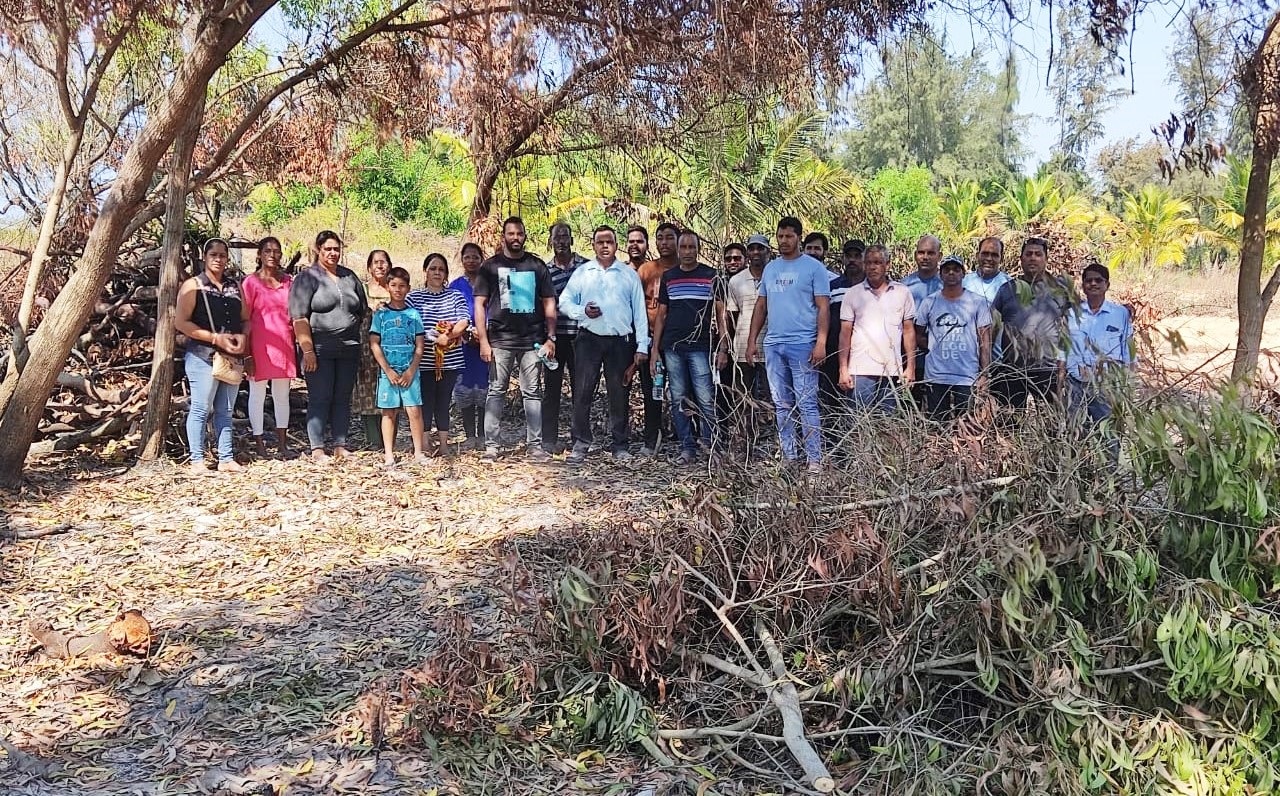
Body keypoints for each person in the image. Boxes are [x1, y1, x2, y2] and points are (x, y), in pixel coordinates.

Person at [746, 218, 830, 473]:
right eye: (780, 236)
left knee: (806, 403)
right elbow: (761, 306)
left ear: (798, 238)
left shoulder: (814, 268)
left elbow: (823, 306)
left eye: (788, 237)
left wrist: (821, 342)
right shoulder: (771, 269)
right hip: (774, 344)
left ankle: (814, 459)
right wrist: (752, 341)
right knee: (781, 403)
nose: (784, 241)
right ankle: (789, 456)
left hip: (803, 343)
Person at [560, 226, 649, 462]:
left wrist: (642, 346)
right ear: (593, 245)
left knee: (618, 393)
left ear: (616, 245)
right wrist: (582, 312)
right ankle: (580, 442)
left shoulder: (628, 274)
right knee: (582, 391)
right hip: (589, 340)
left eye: (609, 241)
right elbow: (564, 302)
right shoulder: (583, 272)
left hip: (620, 342)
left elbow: (640, 313)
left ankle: (620, 445)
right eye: (600, 242)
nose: (605, 246)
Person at [474, 216, 558, 462]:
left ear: (525, 236)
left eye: (519, 234)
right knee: (496, 391)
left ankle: (535, 446)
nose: (515, 238)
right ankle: (492, 446)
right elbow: (480, 304)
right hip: (499, 341)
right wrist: (483, 340)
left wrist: (550, 337)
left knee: (532, 392)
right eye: (511, 234)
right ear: (504, 236)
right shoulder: (490, 267)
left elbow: (549, 302)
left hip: (532, 340)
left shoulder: (537, 266)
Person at [289, 230, 369, 461]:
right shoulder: (307, 278)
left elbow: (361, 310)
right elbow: (299, 318)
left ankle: (340, 444)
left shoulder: (349, 277)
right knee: (320, 396)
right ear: (318, 250)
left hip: (349, 347)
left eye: (336, 249)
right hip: (320, 348)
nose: (333, 253)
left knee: (342, 397)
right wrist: (308, 350)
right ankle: (317, 448)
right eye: (328, 249)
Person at [175, 237, 246, 474]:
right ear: (205, 257)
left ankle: (226, 458)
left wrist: (243, 338)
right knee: (201, 407)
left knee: (225, 409)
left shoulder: (235, 286)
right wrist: (213, 338)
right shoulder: (193, 285)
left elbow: (246, 319)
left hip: (230, 358)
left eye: (222, 255)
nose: (218, 259)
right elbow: (181, 323)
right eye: (213, 254)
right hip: (202, 356)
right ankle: (197, 460)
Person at [652, 230, 721, 464]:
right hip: (673, 346)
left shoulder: (711, 276)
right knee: (678, 398)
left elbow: (720, 314)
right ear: (678, 249)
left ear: (698, 249)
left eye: (692, 247)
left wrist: (722, 346)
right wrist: (655, 350)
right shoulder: (669, 277)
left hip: (701, 346)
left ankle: (709, 446)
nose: (688, 252)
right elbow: (661, 315)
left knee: (705, 397)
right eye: (684, 248)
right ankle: (687, 447)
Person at [991, 237, 1073, 410]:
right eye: (1028, 254)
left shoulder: (1061, 289)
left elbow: (1075, 324)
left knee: (1049, 423)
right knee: (1011, 422)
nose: (1033, 258)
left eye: (1038, 254)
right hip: (1013, 369)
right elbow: (992, 327)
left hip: (1048, 369)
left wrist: (1064, 366)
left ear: (1046, 259)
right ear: (1021, 259)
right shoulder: (1007, 289)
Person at [838, 244, 916, 413]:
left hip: (892, 372)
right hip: (860, 371)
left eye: (877, 262)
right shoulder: (852, 294)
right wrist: (843, 369)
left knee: (888, 426)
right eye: (868, 263)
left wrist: (910, 367)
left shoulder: (903, 292)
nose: (872, 267)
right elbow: (845, 334)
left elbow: (909, 332)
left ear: (887, 265)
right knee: (858, 425)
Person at [407, 254, 471, 457]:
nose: (437, 272)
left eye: (441, 269)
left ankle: (444, 444)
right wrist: (431, 338)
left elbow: (464, 320)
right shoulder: (413, 297)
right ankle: (424, 443)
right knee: (425, 402)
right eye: (433, 268)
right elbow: (410, 323)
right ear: (425, 271)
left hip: (449, 361)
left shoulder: (455, 296)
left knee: (443, 402)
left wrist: (449, 336)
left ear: (446, 274)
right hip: (423, 360)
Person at [914, 255, 992, 420]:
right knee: (936, 427)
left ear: (963, 274)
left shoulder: (977, 302)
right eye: (947, 270)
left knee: (968, 427)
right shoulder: (930, 302)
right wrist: (932, 346)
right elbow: (917, 333)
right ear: (940, 274)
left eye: (956, 270)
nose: (951, 273)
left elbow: (985, 341)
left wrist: (985, 374)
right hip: (936, 376)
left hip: (966, 376)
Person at [369, 266, 431, 467]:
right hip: (389, 372)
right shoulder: (381, 315)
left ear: (408, 288)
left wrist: (412, 369)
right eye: (393, 285)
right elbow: (374, 343)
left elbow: (420, 344)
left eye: (402, 286)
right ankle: (389, 454)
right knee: (389, 412)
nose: (398, 289)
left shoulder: (413, 315)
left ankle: (419, 452)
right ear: (387, 287)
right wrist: (387, 369)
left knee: (414, 411)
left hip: (409, 371)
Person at [241, 236, 296, 459]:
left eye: (276, 251)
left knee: (282, 395)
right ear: (259, 255)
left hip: (283, 344)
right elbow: (244, 319)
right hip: (259, 346)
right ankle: (260, 443)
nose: (272, 255)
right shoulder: (250, 283)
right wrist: (247, 354)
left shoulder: (289, 282)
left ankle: (282, 444)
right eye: (267, 251)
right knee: (257, 395)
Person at [1060, 262, 1134, 426]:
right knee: (1074, 433)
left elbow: (1128, 351)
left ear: (1107, 285)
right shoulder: (1072, 314)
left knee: (1109, 436)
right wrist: (1060, 383)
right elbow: (1062, 350)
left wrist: (1127, 385)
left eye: (1098, 280)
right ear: (1083, 286)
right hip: (1076, 385)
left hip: (1106, 385)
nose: (1093, 284)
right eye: (1089, 280)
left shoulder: (1121, 314)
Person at [634, 222, 679, 454]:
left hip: (680, 341)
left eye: (669, 238)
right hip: (652, 341)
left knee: (683, 391)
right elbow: (638, 306)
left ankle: (685, 437)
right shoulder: (647, 270)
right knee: (653, 391)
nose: (665, 243)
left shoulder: (685, 268)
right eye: (660, 238)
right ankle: (651, 438)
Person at [723, 234, 771, 450]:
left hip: (773, 347)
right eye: (752, 249)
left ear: (768, 251)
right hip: (743, 348)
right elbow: (732, 317)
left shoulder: (775, 274)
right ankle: (747, 442)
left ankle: (773, 443)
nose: (756, 253)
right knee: (744, 398)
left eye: (760, 249)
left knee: (774, 397)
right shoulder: (736, 281)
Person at [543, 222, 587, 454]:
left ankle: (580, 437)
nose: (561, 240)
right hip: (554, 338)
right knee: (551, 389)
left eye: (565, 236)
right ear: (550, 241)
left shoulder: (586, 267)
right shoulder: (545, 270)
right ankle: (549, 439)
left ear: (572, 239)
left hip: (581, 338)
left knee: (581, 389)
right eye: (556, 237)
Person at [352, 250, 393, 450]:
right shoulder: (362, 290)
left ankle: (390, 439)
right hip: (366, 345)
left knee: (390, 388)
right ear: (369, 267)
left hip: (391, 346)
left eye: (383, 262)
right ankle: (373, 439)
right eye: (375, 263)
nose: (379, 266)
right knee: (367, 390)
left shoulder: (395, 288)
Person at [449, 242, 488, 450]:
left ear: (481, 259)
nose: (471, 260)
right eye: (467, 257)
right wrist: (463, 331)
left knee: (484, 389)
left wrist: (483, 332)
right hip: (461, 345)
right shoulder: (455, 286)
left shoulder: (488, 282)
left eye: (475, 257)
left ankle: (482, 435)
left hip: (484, 344)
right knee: (464, 391)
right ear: (462, 260)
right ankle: (469, 435)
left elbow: (495, 309)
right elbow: (449, 312)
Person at [962, 236, 1011, 303]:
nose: (989, 259)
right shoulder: (963, 282)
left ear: (1001, 259)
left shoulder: (1009, 285)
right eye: (985, 254)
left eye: (994, 255)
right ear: (977, 256)